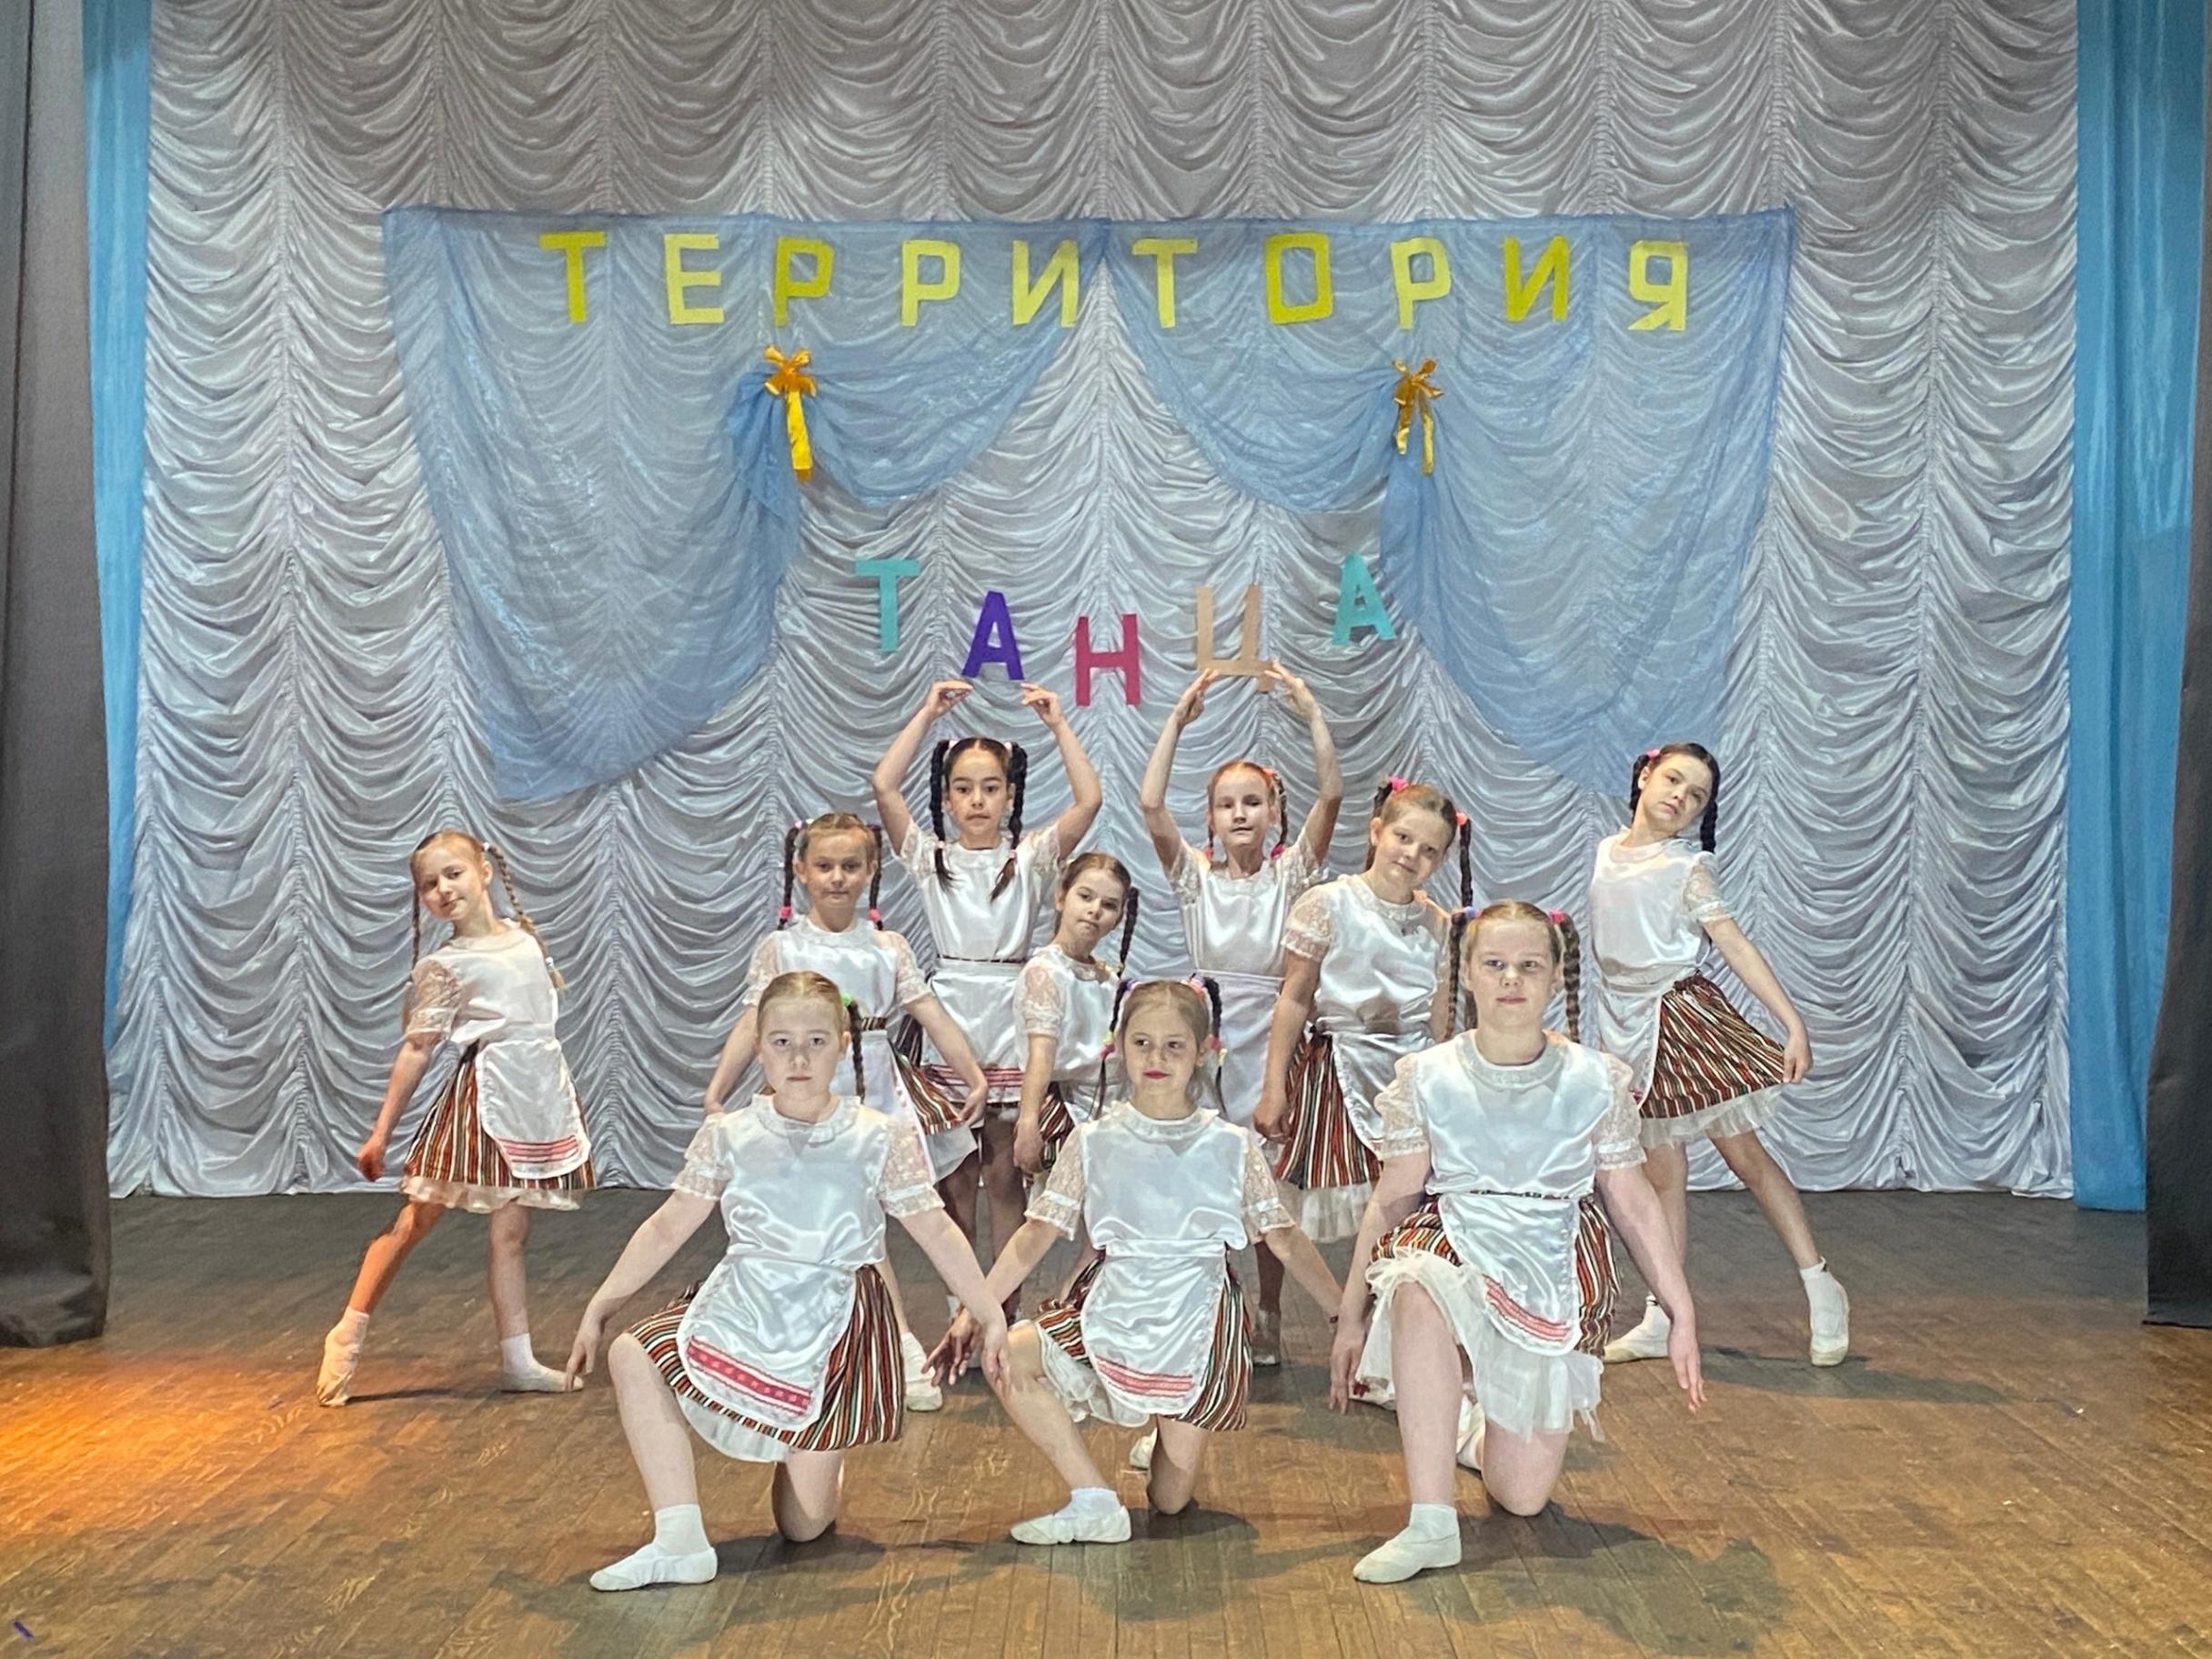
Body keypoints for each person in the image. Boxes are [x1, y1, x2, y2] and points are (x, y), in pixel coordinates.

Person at [566, 970, 1009, 1591]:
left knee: (803, 1527)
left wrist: (988, 1311)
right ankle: (679, 1537)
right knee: (633, 1352)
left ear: (843, 1046)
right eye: (781, 1043)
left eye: (815, 1042)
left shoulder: (877, 1135)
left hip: (834, 1321)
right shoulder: (731, 1134)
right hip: (746, 1301)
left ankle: (816, 1457)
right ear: (759, 1048)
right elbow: (667, 1226)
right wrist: (600, 1305)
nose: (798, 1058)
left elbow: (935, 1229)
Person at [1329, 902, 1704, 1583]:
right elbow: (1392, 1200)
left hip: (1550, 1255)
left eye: (1530, 966)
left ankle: (1460, 1423)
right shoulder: (1429, 1074)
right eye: (1495, 964)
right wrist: (1351, 1316)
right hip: (1456, 1233)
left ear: (1556, 976)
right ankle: (1431, 1522)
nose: (1511, 979)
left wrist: (1681, 1312)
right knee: (1416, 1283)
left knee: (1523, 1497)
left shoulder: (1595, 1077)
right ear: (1468, 973)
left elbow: (1633, 1201)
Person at [938, 979, 1340, 1543]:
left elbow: (1286, 1238)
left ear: (1204, 1052)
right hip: (1116, 1302)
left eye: (1175, 1046)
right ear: (1119, 1046)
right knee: (1007, 1354)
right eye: (1142, 1043)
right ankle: (1093, 1498)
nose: (1156, 1058)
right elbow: (1035, 1234)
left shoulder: (1232, 1145)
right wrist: (976, 1311)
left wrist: (1344, 1316)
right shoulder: (1093, 1140)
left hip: (1196, 1317)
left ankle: (1164, 1437)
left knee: (1170, 1502)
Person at [703, 811, 991, 1410]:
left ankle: (899, 1344)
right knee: (847, 1226)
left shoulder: (887, 948)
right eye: (825, 865)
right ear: (801, 870)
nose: (837, 877)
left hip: (875, 1090)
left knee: (879, 1222)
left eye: (850, 866)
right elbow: (754, 1020)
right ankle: (892, 1347)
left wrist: (972, 1075)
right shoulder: (782, 947)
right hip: (805, 1097)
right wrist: (718, 1089)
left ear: (871, 871)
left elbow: (931, 1013)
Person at [1590, 743, 1848, 1368]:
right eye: (1673, 780)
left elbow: (1733, 943)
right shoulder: (1606, 850)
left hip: (1679, 1020)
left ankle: (1821, 1284)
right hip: (1623, 1025)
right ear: (1645, 777)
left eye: (1696, 795)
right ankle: (1664, 1314)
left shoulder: (1688, 867)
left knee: (1745, 1157)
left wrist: (1792, 1024)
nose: (1680, 797)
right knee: (1661, 1176)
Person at [316, 831, 590, 1406]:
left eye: (453, 874)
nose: (443, 889)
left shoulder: (523, 937)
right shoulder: (446, 965)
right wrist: (381, 1132)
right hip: (485, 1097)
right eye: (429, 884)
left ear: (483, 871)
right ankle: (347, 1332)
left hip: (534, 1094)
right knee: (418, 1218)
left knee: (511, 1230)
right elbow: (418, 1048)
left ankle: (518, 1359)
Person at [1136, 665, 1340, 1362]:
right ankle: (1216, 1306)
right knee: (1205, 1177)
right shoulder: (1195, 878)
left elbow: (1332, 795)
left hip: (1271, 1037)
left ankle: (1271, 1310)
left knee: (1268, 1187)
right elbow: (1150, 804)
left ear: (1273, 812)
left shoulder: (1290, 875)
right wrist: (1176, 721)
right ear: (1213, 818)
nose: (1241, 814)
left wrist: (1311, 713)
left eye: (1254, 802)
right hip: (1209, 1038)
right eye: (1227, 805)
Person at [870, 679, 1102, 1259]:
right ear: (947, 798)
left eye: (991, 788)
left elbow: (1088, 802)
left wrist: (1059, 724)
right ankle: (962, 1300)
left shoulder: (1029, 859)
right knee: (954, 1181)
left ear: (1010, 795)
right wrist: (926, 713)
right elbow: (884, 786)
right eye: (964, 788)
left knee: (1004, 1174)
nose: (977, 800)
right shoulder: (932, 860)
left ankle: (1004, 1299)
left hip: (1009, 1013)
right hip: (949, 1016)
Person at [1256, 779, 1469, 1245]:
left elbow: (1440, 1022)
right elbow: (1294, 998)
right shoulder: (1329, 903)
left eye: (1429, 850)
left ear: (1440, 861)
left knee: (1402, 1205)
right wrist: (1273, 1088)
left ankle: (1380, 1288)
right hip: (1339, 1070)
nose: (1411, 854)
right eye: (1403, 838)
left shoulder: (1437, 924)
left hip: (1410, 1078)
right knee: (1311, 1203)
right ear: (1376, 832)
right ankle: (1299, 1291)